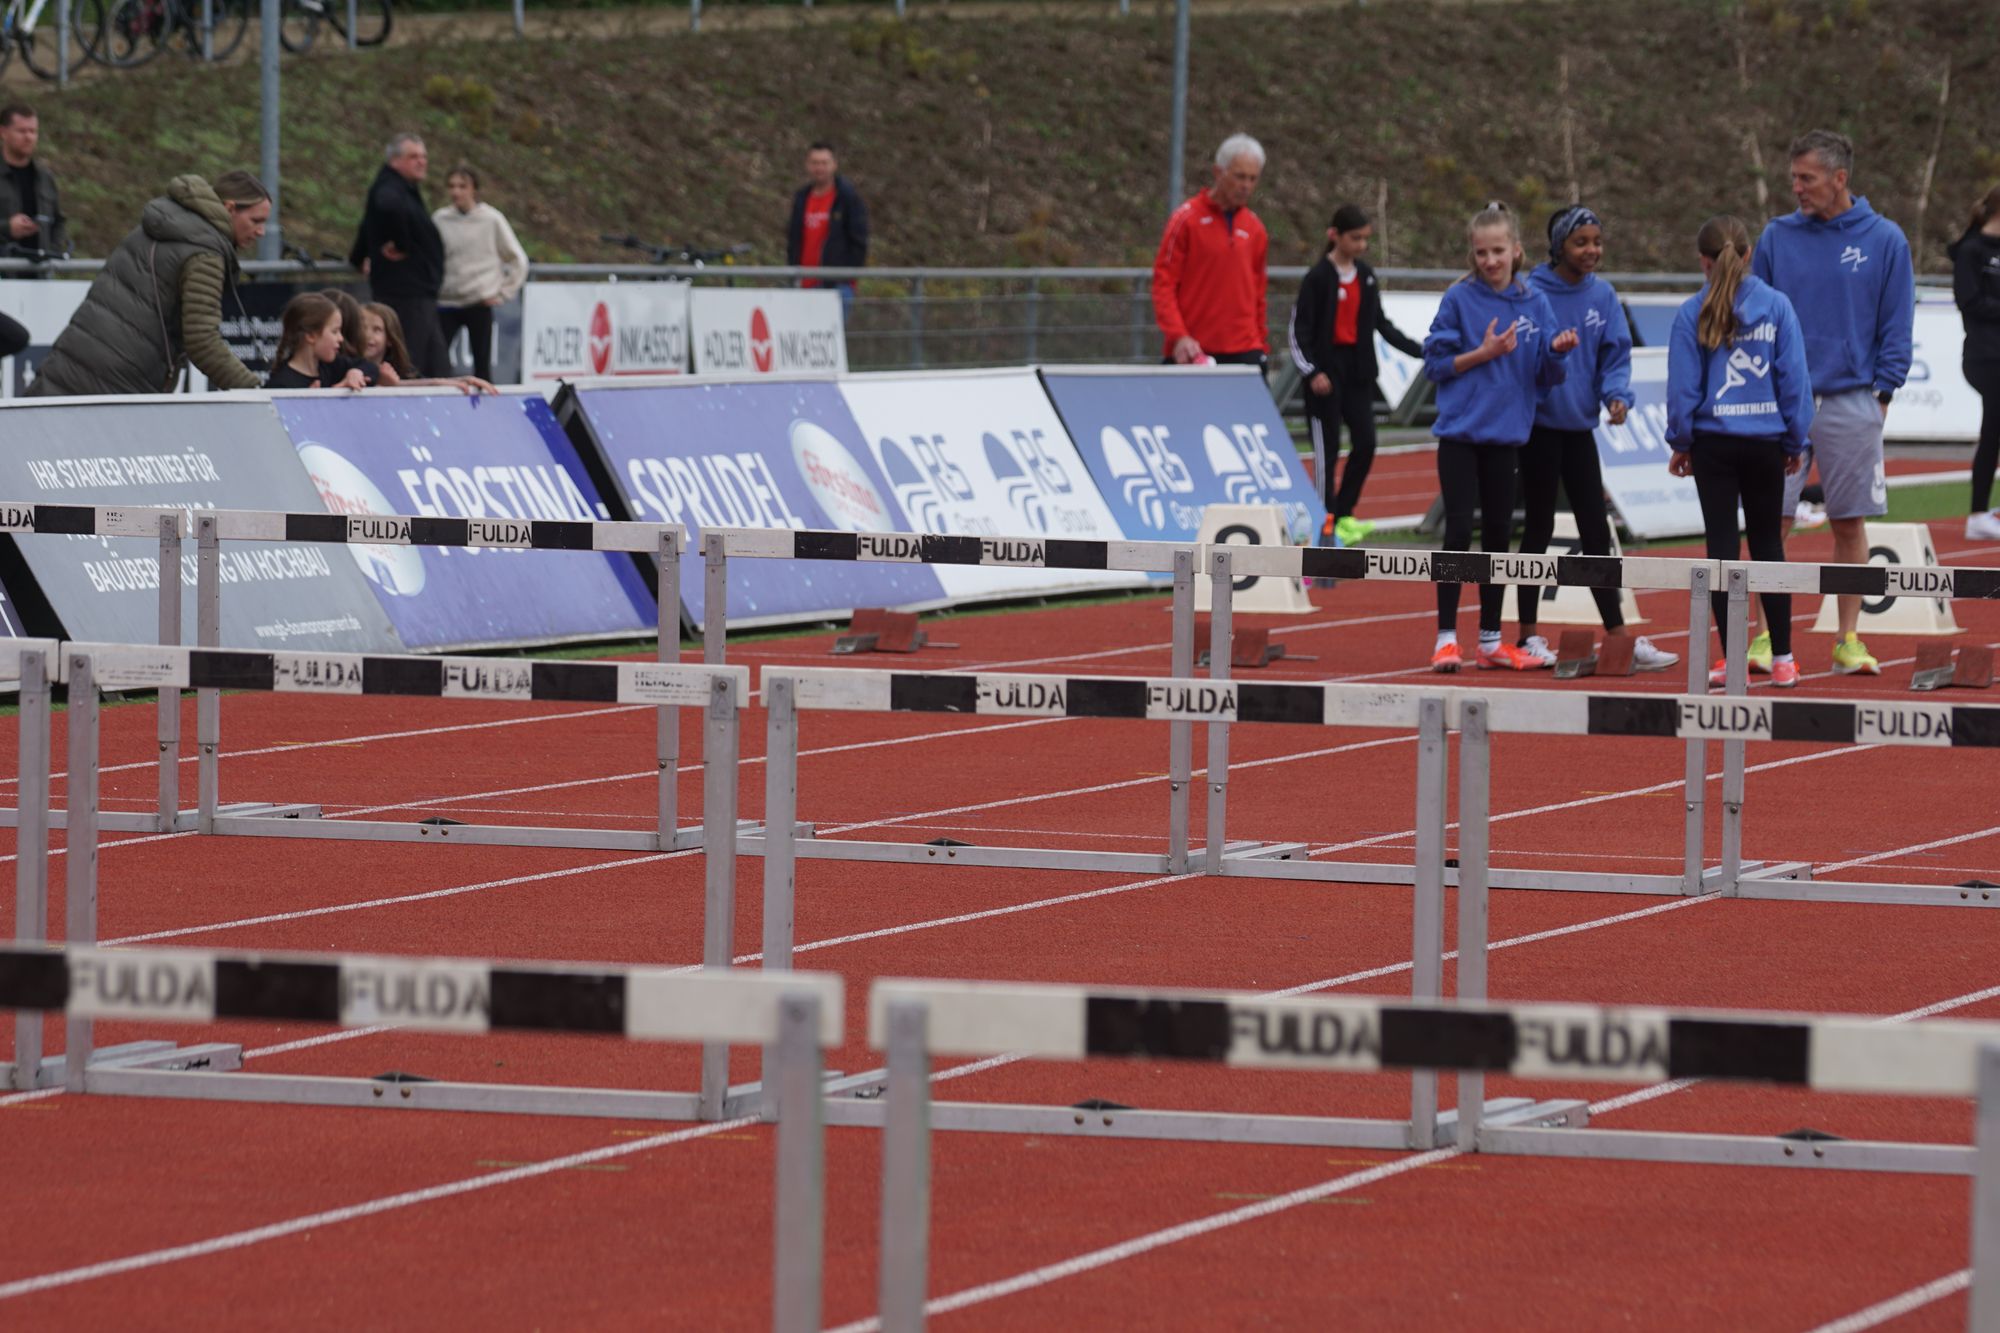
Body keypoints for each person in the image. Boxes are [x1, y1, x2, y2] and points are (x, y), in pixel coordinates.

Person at [1749, 129, 1913, 676]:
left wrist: (1882, 395)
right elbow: (1754, 315)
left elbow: (1897, 324)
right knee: (1773, 521)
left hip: (1852, 401)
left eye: (1807, 178)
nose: (1797, 187)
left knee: (1847, 523)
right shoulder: (1776, 237)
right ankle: (1766, 639)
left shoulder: (1885, 239)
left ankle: (1848, 639)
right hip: (1781, 402)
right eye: (1794, 177)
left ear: (1840, 179)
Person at [1512, 206, 1678, 671]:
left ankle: (1620, 638)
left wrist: (1616, 396)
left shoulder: (1602, 295)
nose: (1591, 251)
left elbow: (1615, 356)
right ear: (1558, 246)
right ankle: (1527, 636)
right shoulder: (1531, 292)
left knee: (1596, 531)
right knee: (1538, 529)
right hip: (1538, 428)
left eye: (1597, 242)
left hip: (1579, 428)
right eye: (1581, 242)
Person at [1421, 202, 1577, 672]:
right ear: (1472, 254)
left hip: (1506, 436)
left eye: (1498, 251)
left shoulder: (1534, 303)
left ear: (1516, 251)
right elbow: (1434, 365)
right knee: (1457, 532)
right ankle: (1446, 638)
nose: (1490, 260)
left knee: (1497, 535)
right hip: (1461, 434)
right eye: (1481, 252)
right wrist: (1483, 353)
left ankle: (1490, 639)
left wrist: (1557, 352)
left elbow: (1546, 376)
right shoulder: (1459, 299)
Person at [1666, 216, 1814, 690]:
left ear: (1703, 261)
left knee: (1722, 550)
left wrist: (1680, 441)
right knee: (1769, 545)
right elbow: (1794, 380)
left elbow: (1683, 387)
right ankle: (1784, 659)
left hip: (1713, 444)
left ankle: (1733, 661)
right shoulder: (1777, 307)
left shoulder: (1693, 311)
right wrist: (1795, 439)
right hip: (1765, 441)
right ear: (1749, 255)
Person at [27, 172, 267, 396]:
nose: (261, 231)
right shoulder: (205, 254)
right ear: (230, 208)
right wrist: (255, 391)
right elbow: (202, 341)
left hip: (74, 359)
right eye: (256, 220)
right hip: (121, 379)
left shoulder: (166, 221)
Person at [1288, 203, 1423, 548]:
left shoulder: (1366, 275)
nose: (1361, 245)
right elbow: (1298, 331)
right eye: (1355, 238)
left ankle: (1344, 514)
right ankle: (1325, 520)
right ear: (1335, 235)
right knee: (1327, 451)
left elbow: (1381, 324)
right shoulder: (1318, 278)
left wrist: (1420, 350)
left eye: (1365, 239)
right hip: (1325, 376)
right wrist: (1313, 371)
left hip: (1358, 373)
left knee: (1366, 442)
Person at [1153, 133, 1270, 369]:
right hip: (1194, 351)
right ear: (1218, 172)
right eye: (1239, 176)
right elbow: (1164, 284)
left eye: (1253, 178)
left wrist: (1260, 343)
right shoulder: (1186, 219)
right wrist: (1179, 336)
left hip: (1246, 349)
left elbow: (1258, 293)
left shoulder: (1255, 228)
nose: (1246, 186)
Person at [350, 132, 449, 377]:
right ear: (395, 160)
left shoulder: (403, 188)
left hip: (419, 292)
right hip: (406, 294)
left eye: (424, 156)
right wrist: (401, 243)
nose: (421, 161)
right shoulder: (390, 188)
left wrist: (358, 256)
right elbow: (388, 207)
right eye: (413, 156)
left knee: (436, 362)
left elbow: (367, 224)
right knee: (409, 361)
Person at [434, 165, 527, 382]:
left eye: (462, 186)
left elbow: (518, 259)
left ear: (474, 189)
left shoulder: (491, 219)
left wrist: (503, 293)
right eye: (452, 186)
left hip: (478, 301)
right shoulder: (440, 219)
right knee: (437, 360)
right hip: (447, 301)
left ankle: (483, 402)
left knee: (482, 365)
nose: (456, 192)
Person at [1951, 183, 2000, 542]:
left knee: (1994, 431)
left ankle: (1980, 514)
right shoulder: (1971, 251)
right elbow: (1969, 301)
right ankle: (1978, 514)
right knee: (1993, 430)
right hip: (1985, 357)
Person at [785, 142, 868, 313]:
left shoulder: (847, 199)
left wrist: (846, 275)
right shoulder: (801, 198)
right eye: (815, 163)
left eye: (824, 163)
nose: (819, 168)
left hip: (837, 286)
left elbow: (859, 240)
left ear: (834, 165)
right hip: (804, 284)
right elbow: (794, 238)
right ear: (807, 165)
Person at [0, 102, 68, 261]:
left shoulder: (45, 177)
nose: (29, 137)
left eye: (33, 131)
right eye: (21, 131)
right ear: (3, 132)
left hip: (40, 273)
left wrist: (52, 252)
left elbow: (58, 222)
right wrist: (7, 228)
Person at [265, 293, 369, 390]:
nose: (340, 338)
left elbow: (369, 367)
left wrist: (355, 373)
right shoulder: (281, 384)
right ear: (311, 336)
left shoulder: (332, 366)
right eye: (334, 331)